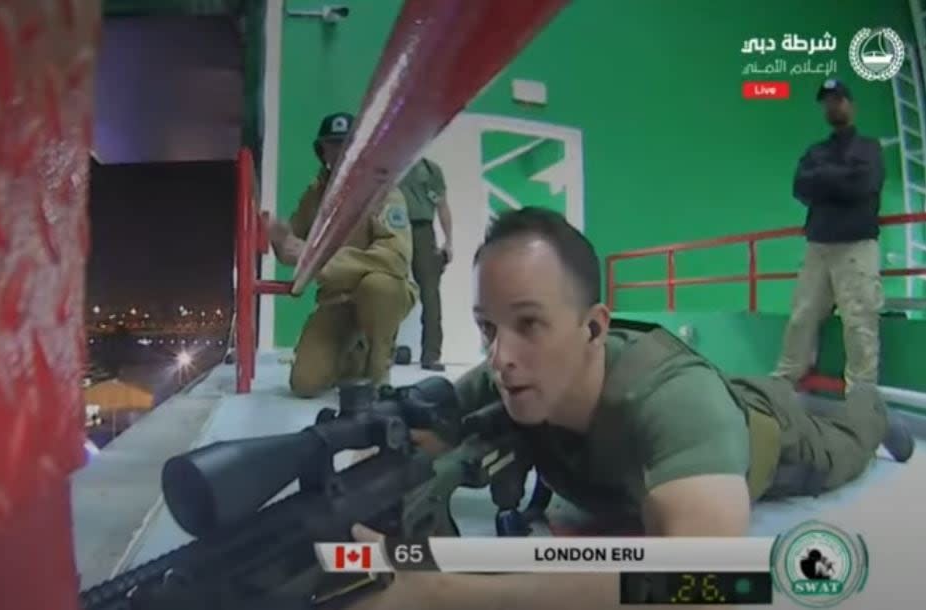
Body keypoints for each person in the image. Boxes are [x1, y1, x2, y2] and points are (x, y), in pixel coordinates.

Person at [346, 207, 914, 610]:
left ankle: (874, 409)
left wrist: (443, 592)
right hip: (679, 420)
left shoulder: (677, 405)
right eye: (486, 327)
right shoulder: (510, 371)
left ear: (593, 325)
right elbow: (419, 437)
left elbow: (703, 586)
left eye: (529, 324)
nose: (500, 357)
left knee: (848, 440)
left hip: (773, 435)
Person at [268, 112, 417, 397]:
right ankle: (353, 355)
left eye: (347, 145)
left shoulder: (382, 190)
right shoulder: (314, 196)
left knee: (379, 285)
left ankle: (378, 365)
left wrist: (321, 261)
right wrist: (280, 239)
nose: (339, 153)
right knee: (305, 384)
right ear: (322, 151)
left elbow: (395, 258)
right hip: (335, 301)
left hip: (380, 293)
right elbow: (295, 247)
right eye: (332, 145)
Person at [773, 79, 885, 391]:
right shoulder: (816, 150)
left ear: (851, 105)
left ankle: (861, 392)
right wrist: (842, 177)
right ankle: (784, 382)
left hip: (856, 246)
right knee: (801, 317)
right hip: (818, 246)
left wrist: (823, 180)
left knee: (859, 321)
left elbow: (863, 184)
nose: (832, 106)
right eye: (827, 101)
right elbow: (800, 187)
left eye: (838, 99)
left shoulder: (870, 148)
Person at [397, 157, 454, 371]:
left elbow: (442, 205)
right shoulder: (391, 162)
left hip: (423, 230)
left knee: (430, 294)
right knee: (388, 287)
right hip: (393, 228)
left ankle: (431, 354)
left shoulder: (430, 169)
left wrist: (448, 241)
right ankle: (382, 351)